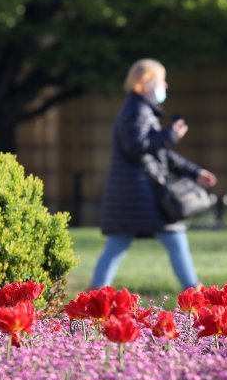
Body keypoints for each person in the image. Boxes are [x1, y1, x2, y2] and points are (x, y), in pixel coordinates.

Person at [91, 58, 217, 290]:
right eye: (162, 80)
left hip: (135, 195)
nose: (166, 86)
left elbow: (160, 154)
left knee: (118, 245)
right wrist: (170, 135)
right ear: (146, 82)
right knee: (174, 238)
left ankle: (93, 298)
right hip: (140, 194)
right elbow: (137, 146)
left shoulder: (139, 109)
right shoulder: (136, 111)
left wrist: (194, 171)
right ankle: (195, 295)